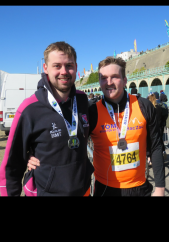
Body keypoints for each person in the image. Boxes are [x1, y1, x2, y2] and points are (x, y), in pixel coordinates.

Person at [28, 56, 165, 196]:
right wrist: (32, 153)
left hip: (140, 188)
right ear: (99, 81)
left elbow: (156, 146)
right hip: (105, 189)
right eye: (104, 78)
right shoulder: (91, 110)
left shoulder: (143, 105)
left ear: (124, 80)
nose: (109, 82)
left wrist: (160, 187)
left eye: (115, 77)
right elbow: (63, 139)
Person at [0, 41, 94, 196]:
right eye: (57, 66)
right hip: (46, 192)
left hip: (83, 191)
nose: (64, 71)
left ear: (76, 67)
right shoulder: (29, 109)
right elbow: (11, 165)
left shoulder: (83, 100)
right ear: (45, 68)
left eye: (69, 65)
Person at [147, 93, 163, 166]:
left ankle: (149, 159)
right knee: (156, 145)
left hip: (149, 129)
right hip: (158, 129)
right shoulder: (159, 108)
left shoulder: (148, 109)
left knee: (149, 144)